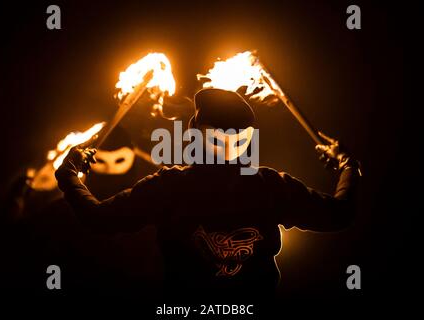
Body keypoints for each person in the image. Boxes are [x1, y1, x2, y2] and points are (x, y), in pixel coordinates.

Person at [55, 88, 361, 298]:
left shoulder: (168, 187)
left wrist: (69, 175)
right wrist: (348, 167)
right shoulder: (270, 186)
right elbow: (340, 214)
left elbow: (99, 219)